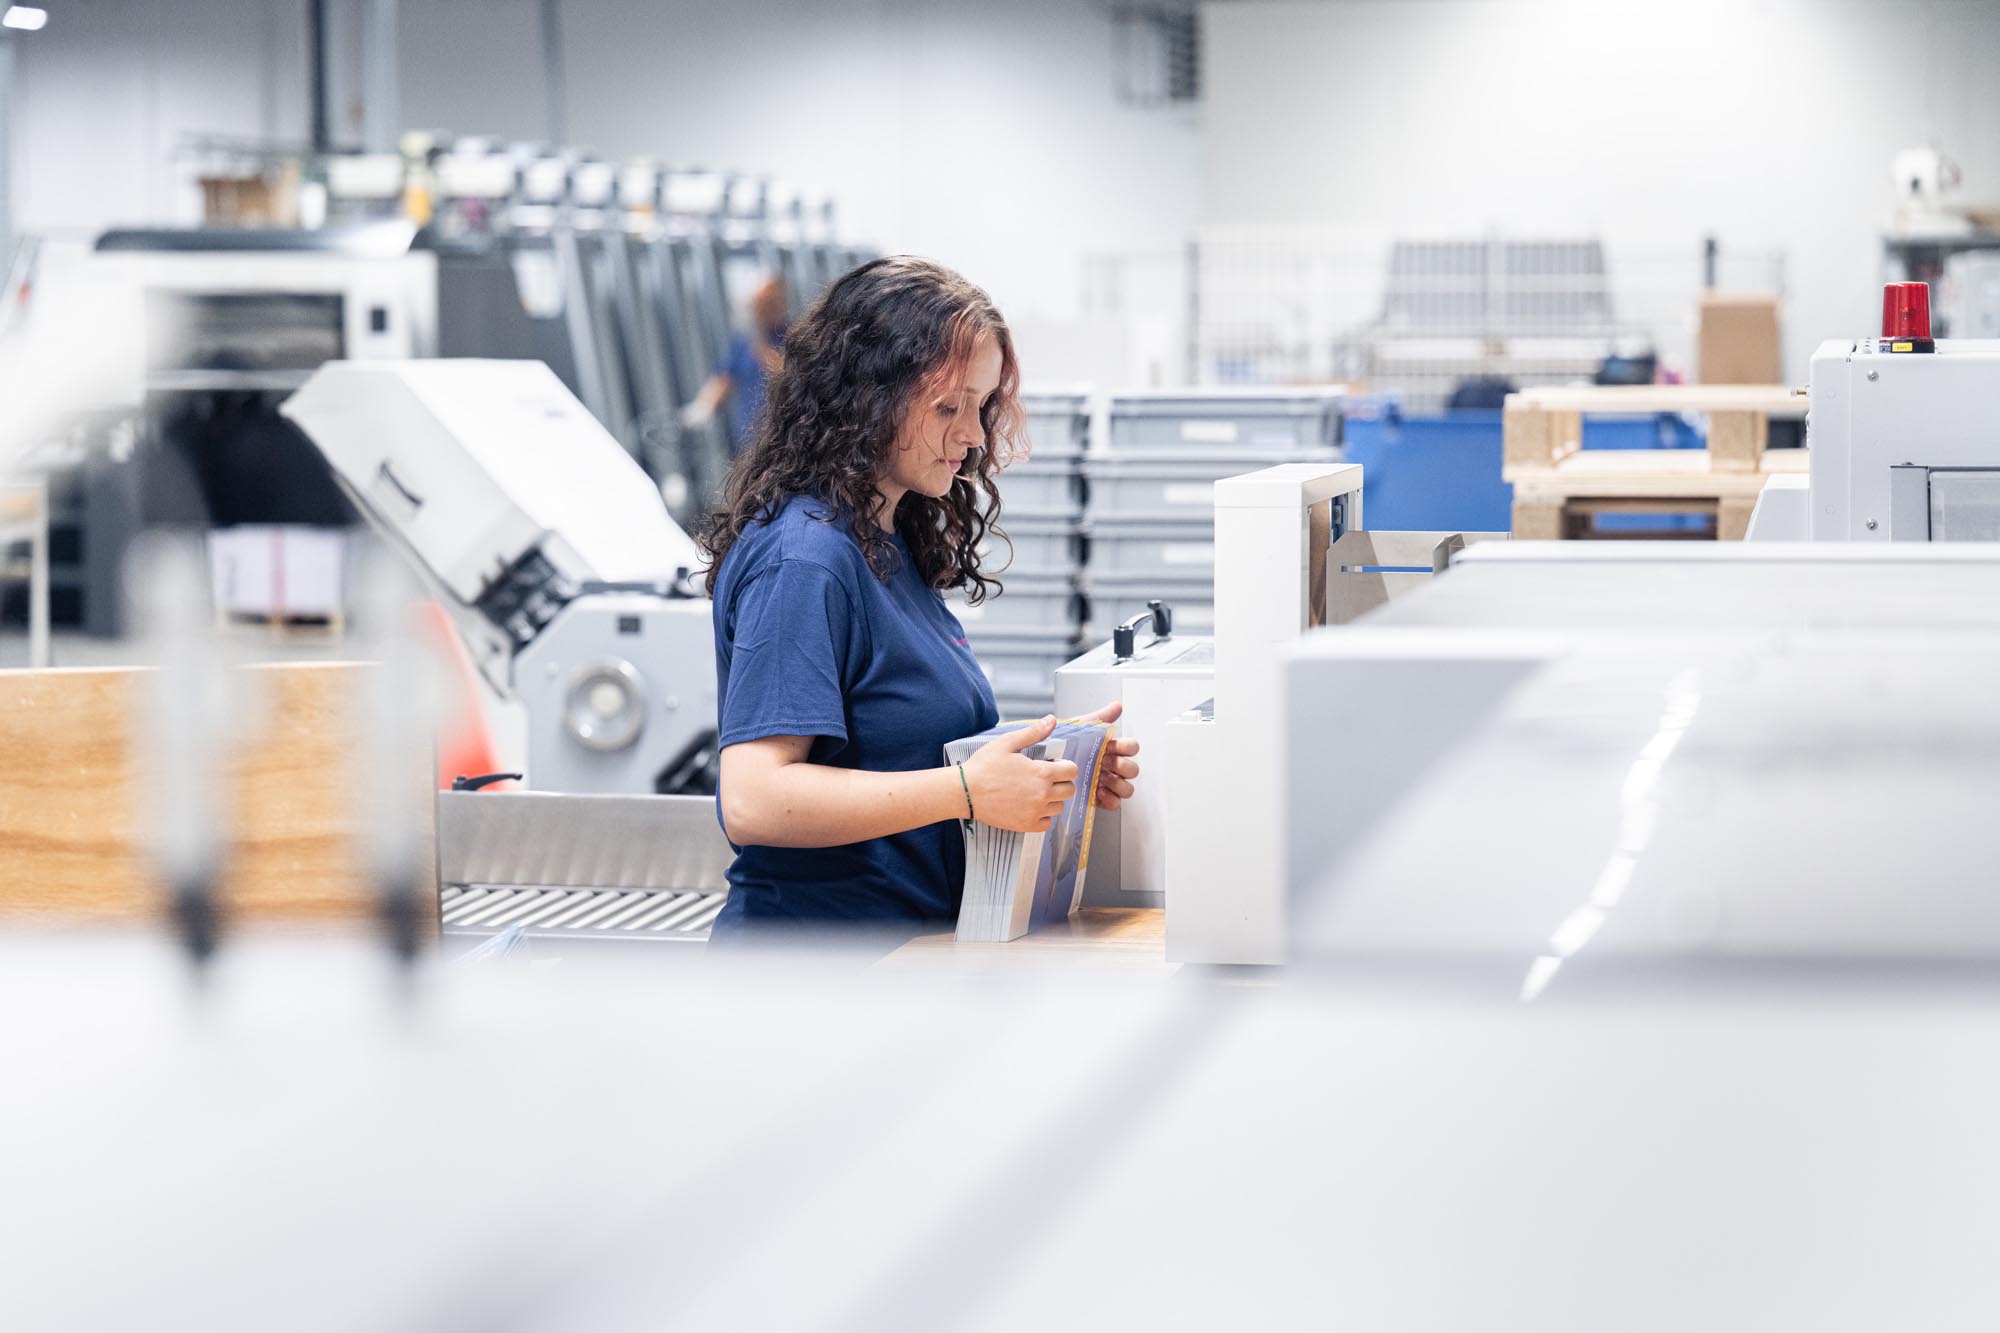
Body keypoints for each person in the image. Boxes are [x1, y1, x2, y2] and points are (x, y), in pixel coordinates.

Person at [698, 257, 1140, 944]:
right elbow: (755, 799)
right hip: (806, 977)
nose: (973, 435)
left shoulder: (883, 541)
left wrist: (1045, 765)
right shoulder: (805, 559)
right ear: (867, 396)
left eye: (981, 407)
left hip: (901, 962)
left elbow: (901, 750)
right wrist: (968, 790)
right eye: (948, 407)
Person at [685, 274, 789, 457]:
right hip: (750, 439)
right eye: (761, 303)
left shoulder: (792, 336)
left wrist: (761, 342)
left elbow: (785, 371)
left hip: (784, 436)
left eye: (771, 301)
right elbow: (724, 378)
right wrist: (703, 407)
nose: (767, 307)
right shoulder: (742, 341)